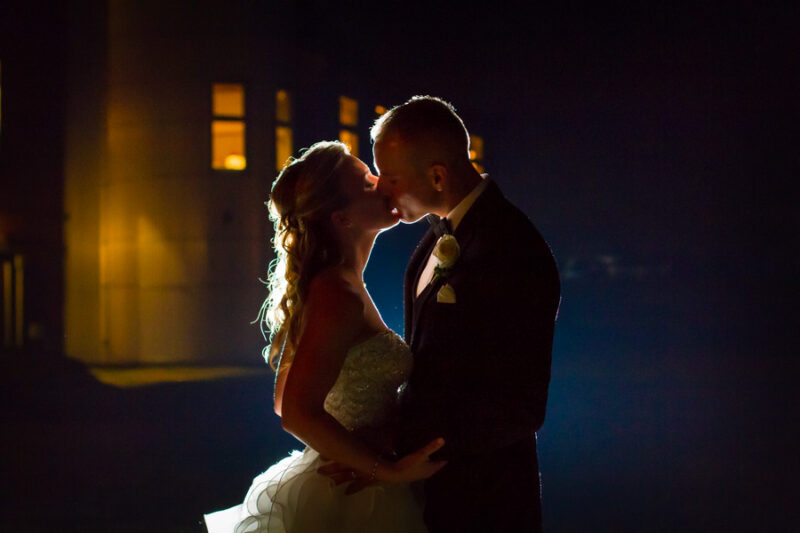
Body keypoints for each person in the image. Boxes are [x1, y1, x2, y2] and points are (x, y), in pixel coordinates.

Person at [204, 141, 446, 532]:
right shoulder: (338, 293)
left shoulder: (336, 283)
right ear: (341, 218)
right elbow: (296, 411)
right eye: (368, 183)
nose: (383, 183)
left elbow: (283, 400)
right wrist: (386, 469)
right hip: (356, 496)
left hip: (347, 474)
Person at [372, 96, 561, 531]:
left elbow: (520, 406)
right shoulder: (426, 246)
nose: (383, 189)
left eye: (392, 178)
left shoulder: (514, 248)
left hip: (485, 502)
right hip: (428, 500)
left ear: (437, 176)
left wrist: (416, 448)